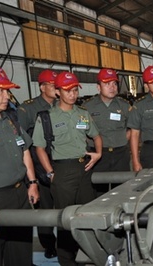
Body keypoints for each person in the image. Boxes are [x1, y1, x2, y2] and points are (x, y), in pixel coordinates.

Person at [32, 71, 102, 265]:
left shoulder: (83, 114)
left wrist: (98, 153)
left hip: (84, 169)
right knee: (65, 219)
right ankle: (67, 260)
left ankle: (89, 255)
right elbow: (39, 148)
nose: (72, 94)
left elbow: (96, 135)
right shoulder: (47, 117)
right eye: (67, 90)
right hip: (62, 171)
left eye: (74, 90)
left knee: (87, 215)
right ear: (57, 91)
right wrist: (51, 173)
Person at [0, 66, 40, 266]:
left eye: (7, 91)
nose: (7, 96)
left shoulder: (10, 119)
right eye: (1, 91)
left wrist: (32, 182)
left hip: (20, 193)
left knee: (21, 252)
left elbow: (25, 150)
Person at [17, 69, 58, 259]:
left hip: (60, 160)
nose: (56, 88)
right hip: (39, 163)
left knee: (64, 203)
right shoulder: (28, 109)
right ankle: (48, 244)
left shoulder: (63, 105)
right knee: (45, 207)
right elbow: (21, 141)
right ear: (42, 87)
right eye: (52, 85)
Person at [82, 68, 131, 195]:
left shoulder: (124, 105)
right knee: (99, 191)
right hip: (98, 156)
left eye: (114, 84)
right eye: (107, 84)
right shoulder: (87, 107)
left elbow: (131, 128)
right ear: (98, 87)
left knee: (122, 190)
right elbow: (82, 131)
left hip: (121, 155)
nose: (112, 87)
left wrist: (122, 140)